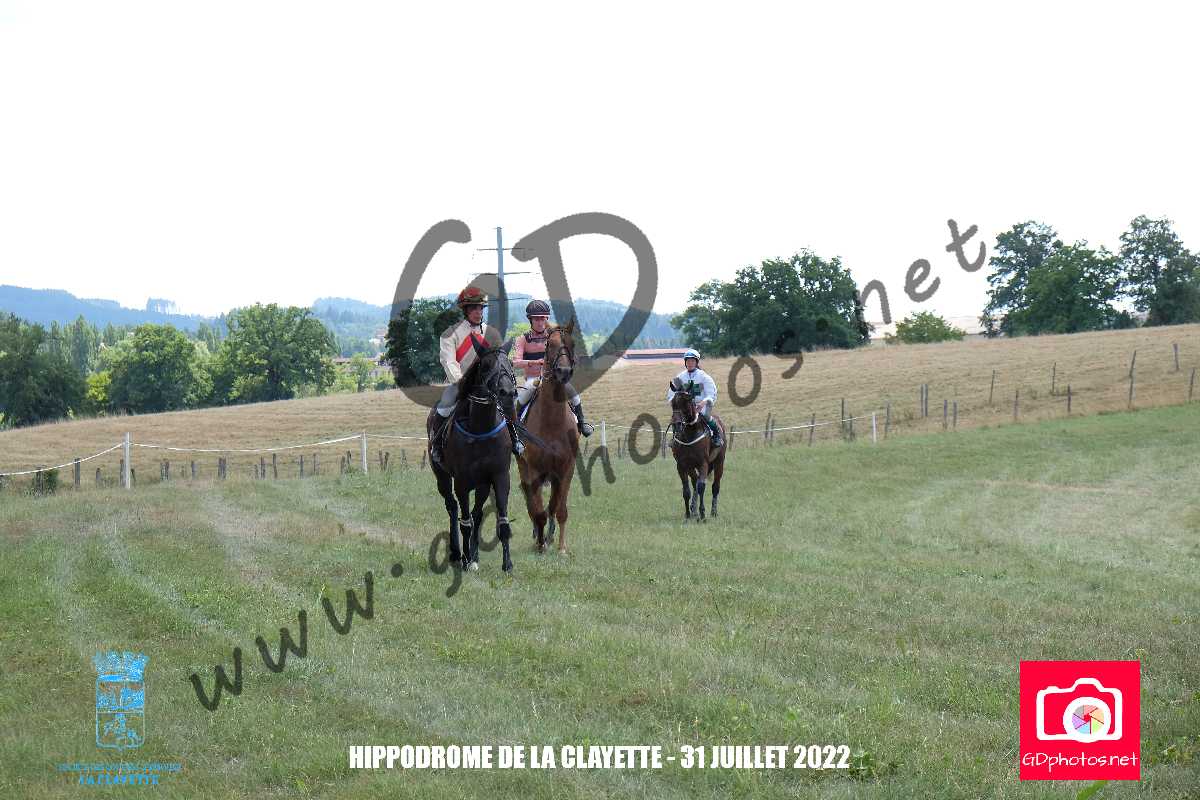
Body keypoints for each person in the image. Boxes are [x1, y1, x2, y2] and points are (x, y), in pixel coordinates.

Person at [429, 286, 523, 467]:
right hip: (461, 383)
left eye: (480, 308)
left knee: (507, 402)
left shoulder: (492, 333)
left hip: (488, 385)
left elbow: (499, 360)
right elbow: (448, 361)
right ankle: (437, 446)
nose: (478, 312)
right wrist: (460, 381)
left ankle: (515, 439)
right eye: (474, 308)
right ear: (465, 310)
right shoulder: (450, 334)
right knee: (444, 406)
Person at [512, 299, 593, 437]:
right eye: (536, 319)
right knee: (528, 390)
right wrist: (534, 362)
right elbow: (515, 362)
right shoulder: (523, 339)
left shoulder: (554, 336)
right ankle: (516, 425)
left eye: (543, 318)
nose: (540, 322)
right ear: (530, 320)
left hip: (555, 378)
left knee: (573, 392)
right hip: (533, 379)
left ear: (547, 319)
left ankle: (581, 422)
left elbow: (565, 352)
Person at [666, 348, 723, 448]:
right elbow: (671, 394)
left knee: (706, 415)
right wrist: (673, 402)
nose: (690, 363)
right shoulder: (679, 377)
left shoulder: (704, 377)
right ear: (685, 362)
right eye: (688, 361)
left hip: (702, 405)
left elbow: (711, 394)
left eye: (692, 361)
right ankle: (675, 438)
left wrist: (703, 402)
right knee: (676, 418)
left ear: (696, 362)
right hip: (685, 406)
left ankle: (716, 435)